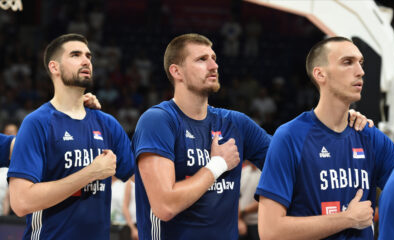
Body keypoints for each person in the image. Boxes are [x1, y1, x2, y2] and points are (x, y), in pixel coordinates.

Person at [132, 33, 371, 240]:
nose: (214, 66)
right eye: (201, 60)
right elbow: (165, 206)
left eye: (214, 58)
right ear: (177, 71)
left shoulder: (236, 123)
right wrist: (218, 164)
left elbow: (301, 163)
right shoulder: (158, 121)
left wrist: (340, 121)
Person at [256, 36, 394, 240]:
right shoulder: (289, 136)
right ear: (320, 74)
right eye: (347, 62)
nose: (360, 71)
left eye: (361, 63)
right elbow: (270, 231)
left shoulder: (371, 136)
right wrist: (347, 219)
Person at [7, 33, 135, 240]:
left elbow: (143, 179)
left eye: (89, 56)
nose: (86, 61)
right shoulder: (37, 123)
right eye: (75, 55)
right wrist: (90, 173)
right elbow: (21, 203)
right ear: (54, 67)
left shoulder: (107, 123)